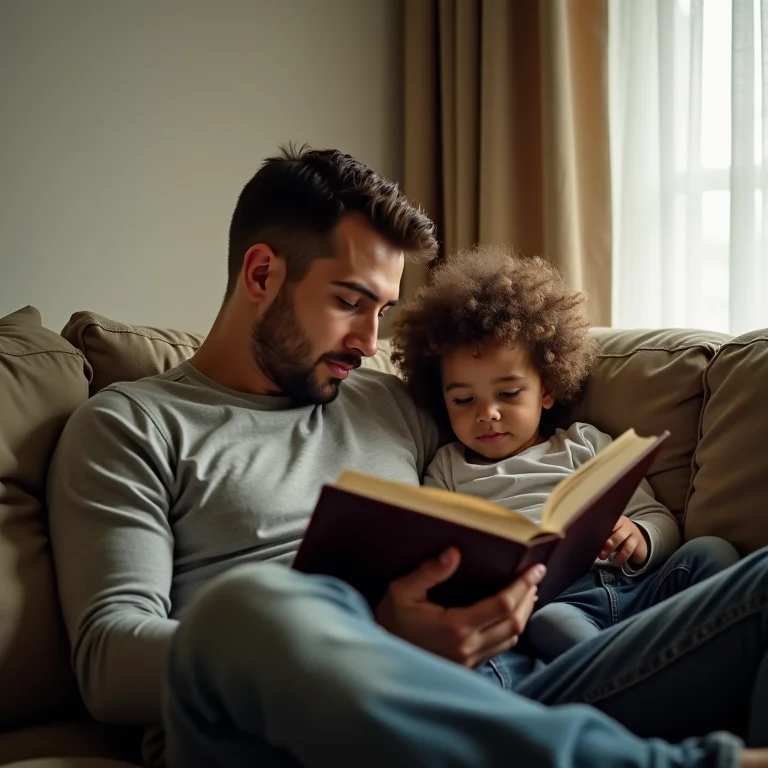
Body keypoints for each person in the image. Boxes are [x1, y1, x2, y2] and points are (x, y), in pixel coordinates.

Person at [46, 145, 768, 768]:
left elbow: (508, 430)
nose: (370, 342)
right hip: (280, 735)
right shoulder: (132, 425)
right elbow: (108, 660)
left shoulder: (386, 402)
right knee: (250, 606)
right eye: (349, 301)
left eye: (383, 312)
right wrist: (374, 636)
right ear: (261, 274)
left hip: (498, 696)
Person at [389, 245, 740, 661]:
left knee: (711, 552)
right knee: (552, 625)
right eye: (464, 400)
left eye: (508, 393)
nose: (488, 414)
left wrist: (640, 537)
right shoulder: (447, 469)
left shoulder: (583, 444)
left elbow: (657, 517)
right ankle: (635, 672)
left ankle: (651, 663)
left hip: (638, 590)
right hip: (562, 607)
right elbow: (434, 552)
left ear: (548, 390)